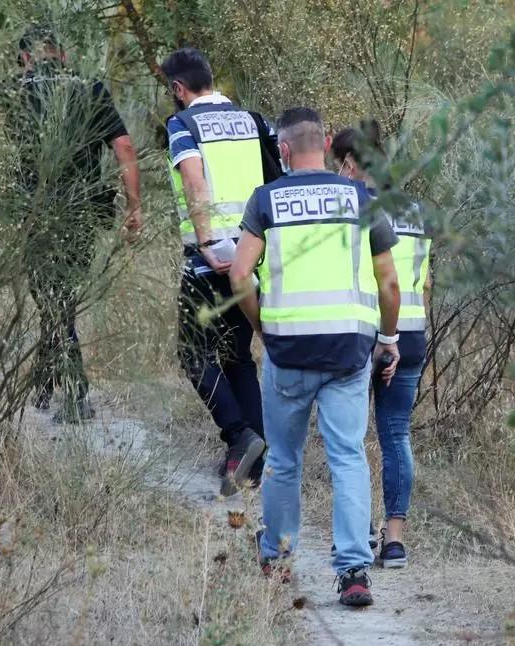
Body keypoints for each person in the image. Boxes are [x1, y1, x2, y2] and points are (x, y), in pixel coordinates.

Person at [230, 107, 401, 607]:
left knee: (283, 460)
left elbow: (241, 275)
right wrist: (387, 337)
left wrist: (263, 326)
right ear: (326, 144)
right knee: (347, 457)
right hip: (348, 351)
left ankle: (278, 559)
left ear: (282, 150)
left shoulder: (266, 200)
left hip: (288, 352)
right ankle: (353, 571)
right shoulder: (361, 197)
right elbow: (390, 281)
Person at [0, 25, 142, 423]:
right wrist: (135, 207)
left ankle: (76, 394)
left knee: (53, 298)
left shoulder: (12, 91)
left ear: (26, 58)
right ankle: (44, 384)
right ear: (62, 55)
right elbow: (124, 147)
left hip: (35, 213)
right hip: (83, 212)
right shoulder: (91, 88)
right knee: (61, 298)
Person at [160, 48, 282, 495]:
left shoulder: (183, 124)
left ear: (178, 89)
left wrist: (208, 241)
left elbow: (194, 179)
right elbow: (279, 176)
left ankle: (238, 436)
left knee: (193, 355)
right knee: (235, 356)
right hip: (252, 256)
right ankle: (254, 459)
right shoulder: (253, 120)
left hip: (209, 258)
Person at [332, 122, 432, 569]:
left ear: (352, 164)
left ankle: (353, 536)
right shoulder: (415, 211)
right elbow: (420, 281)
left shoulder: (355, 208)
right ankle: (394, 541)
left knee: (348, 442)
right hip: (412, 332)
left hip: (369, 333)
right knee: (396, 434)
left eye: (340, 164)